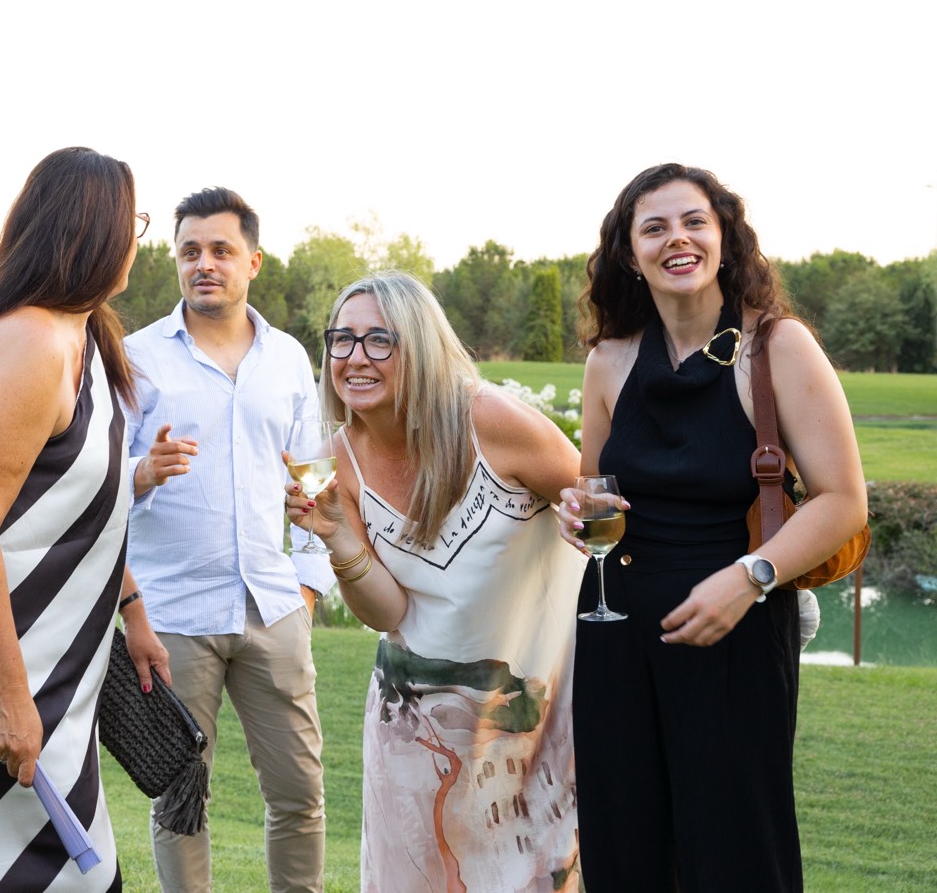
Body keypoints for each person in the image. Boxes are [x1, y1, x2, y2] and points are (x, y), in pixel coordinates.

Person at [557, 164, 867, 892]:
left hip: (738, 627)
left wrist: (750, 576)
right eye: (654, 228)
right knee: (623, 842)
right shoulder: (608, 360)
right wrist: (577, 512)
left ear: (724, 237)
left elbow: (843, 500)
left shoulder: (778, 348)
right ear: (630, 253)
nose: (678, 239)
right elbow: (593, 486)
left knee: (734, 848)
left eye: (694, 221)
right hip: (616, 628)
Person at [0, 147, 161, 891]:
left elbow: (84, 508)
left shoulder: (86, 337)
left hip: (59, 666)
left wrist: (132, 607)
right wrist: (12, 700)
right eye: (132, 223)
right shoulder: (32, 341)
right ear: (95, 232)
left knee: (66, 867)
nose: (137, 241)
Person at [293, 270, 586, 893]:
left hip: (529, 720)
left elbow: (596, 509)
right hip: (415, 730)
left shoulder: (494, 423)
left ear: (421, 348)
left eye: (379, 340)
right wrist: (337, 536)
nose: (354, 357)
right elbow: (388, 612)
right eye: (341, 340)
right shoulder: (334, 457)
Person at [123, 187, 332, 893]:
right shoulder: (135, 358)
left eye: (220, 250)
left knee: (299, 794)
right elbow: (88, 489)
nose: (203, 263)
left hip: (273, 608)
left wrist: (306, 588)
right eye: (189, 250)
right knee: (180, 800)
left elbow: (317, 488)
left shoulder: (290, 360)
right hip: (173, 616)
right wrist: (141, 472)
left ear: (253, 261)